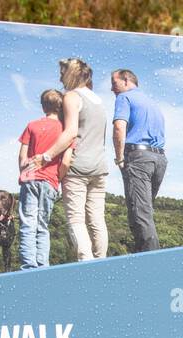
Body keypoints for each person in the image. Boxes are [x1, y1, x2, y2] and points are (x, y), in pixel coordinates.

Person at [26, 57, 108, 260]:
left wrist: (45, 156)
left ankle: (87, 265)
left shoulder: (72, 97)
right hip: (100, 167)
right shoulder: (98, 100)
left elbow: (71, 133)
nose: (60, 77)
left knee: (76, 219)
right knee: (97, 219)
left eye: (62, 72)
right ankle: (101, 263)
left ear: (70, 73)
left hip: (78, 166)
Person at [111, 69, 167, 252]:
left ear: (126, 80)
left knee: (140, 214)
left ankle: (150, 265)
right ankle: (144, 256)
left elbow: (119, 127)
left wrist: (119, 159)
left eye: (114, 83)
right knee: (145, 211)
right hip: (159, 159)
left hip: (139, 158)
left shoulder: (124, 98)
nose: (112, 89)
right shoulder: (151, 103)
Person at [16, 89, 68, 269]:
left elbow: (22, 158)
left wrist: (24, 172)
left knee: (27, 224)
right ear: (60, 106)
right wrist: (57, 180)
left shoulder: (32, 125)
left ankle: (28, 267)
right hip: (50, 181)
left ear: (42, 105)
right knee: (42, 225)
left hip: (30, 179)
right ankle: (42, 266)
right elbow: (66, 160)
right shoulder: (65, 129)